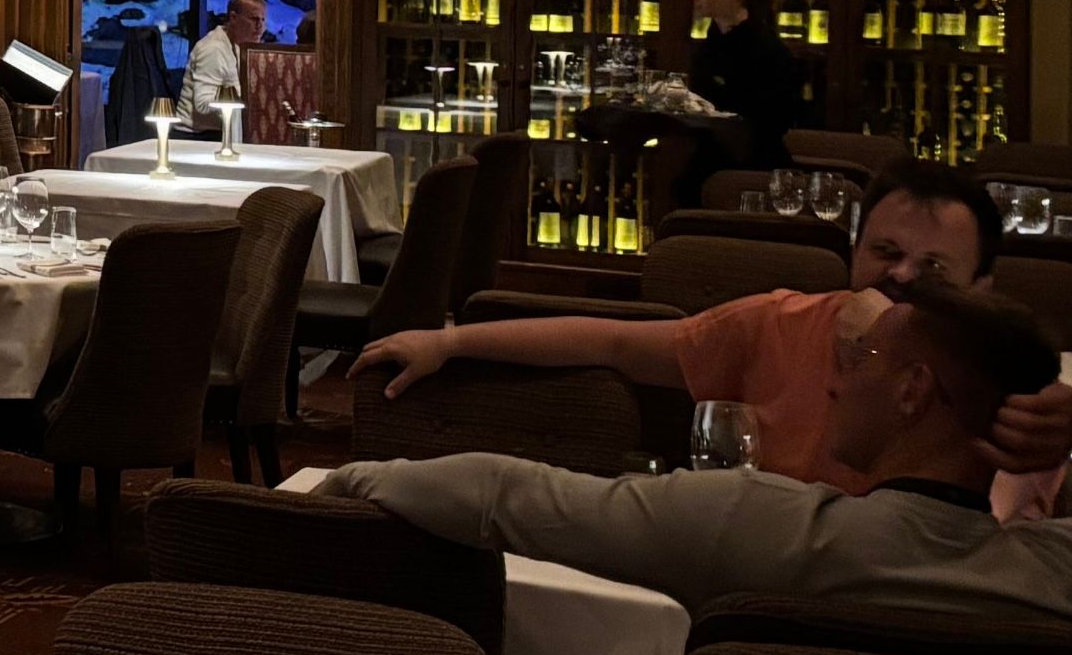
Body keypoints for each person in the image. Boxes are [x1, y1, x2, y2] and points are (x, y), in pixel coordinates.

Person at [323, 278, 1072, 638]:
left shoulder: (757, 525)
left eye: (865, 360)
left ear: (911, 394)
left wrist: (347, 482)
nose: (838, 377)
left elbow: (505, 496)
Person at [361, 159, 1021, 499]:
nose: (901, 275)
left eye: (933, 267)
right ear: (854, 251)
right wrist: (450, 340)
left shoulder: (1002, 392)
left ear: (981, 288)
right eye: (886, 252)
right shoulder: (781, 324)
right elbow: (614, 341)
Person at [681, 0, 808, 166]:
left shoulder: (766, 49)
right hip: (714, 157)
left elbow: (765, 125)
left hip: (751, 167)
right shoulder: (713, 40)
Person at [178, 0, 267, 126]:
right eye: (254, 19)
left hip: (228, 130)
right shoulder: (213, 49)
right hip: (199, 135)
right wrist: (252, 105)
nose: (260, 25)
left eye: (263, 20)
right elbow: (203, 106)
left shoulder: (241, 46)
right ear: (233, 18)